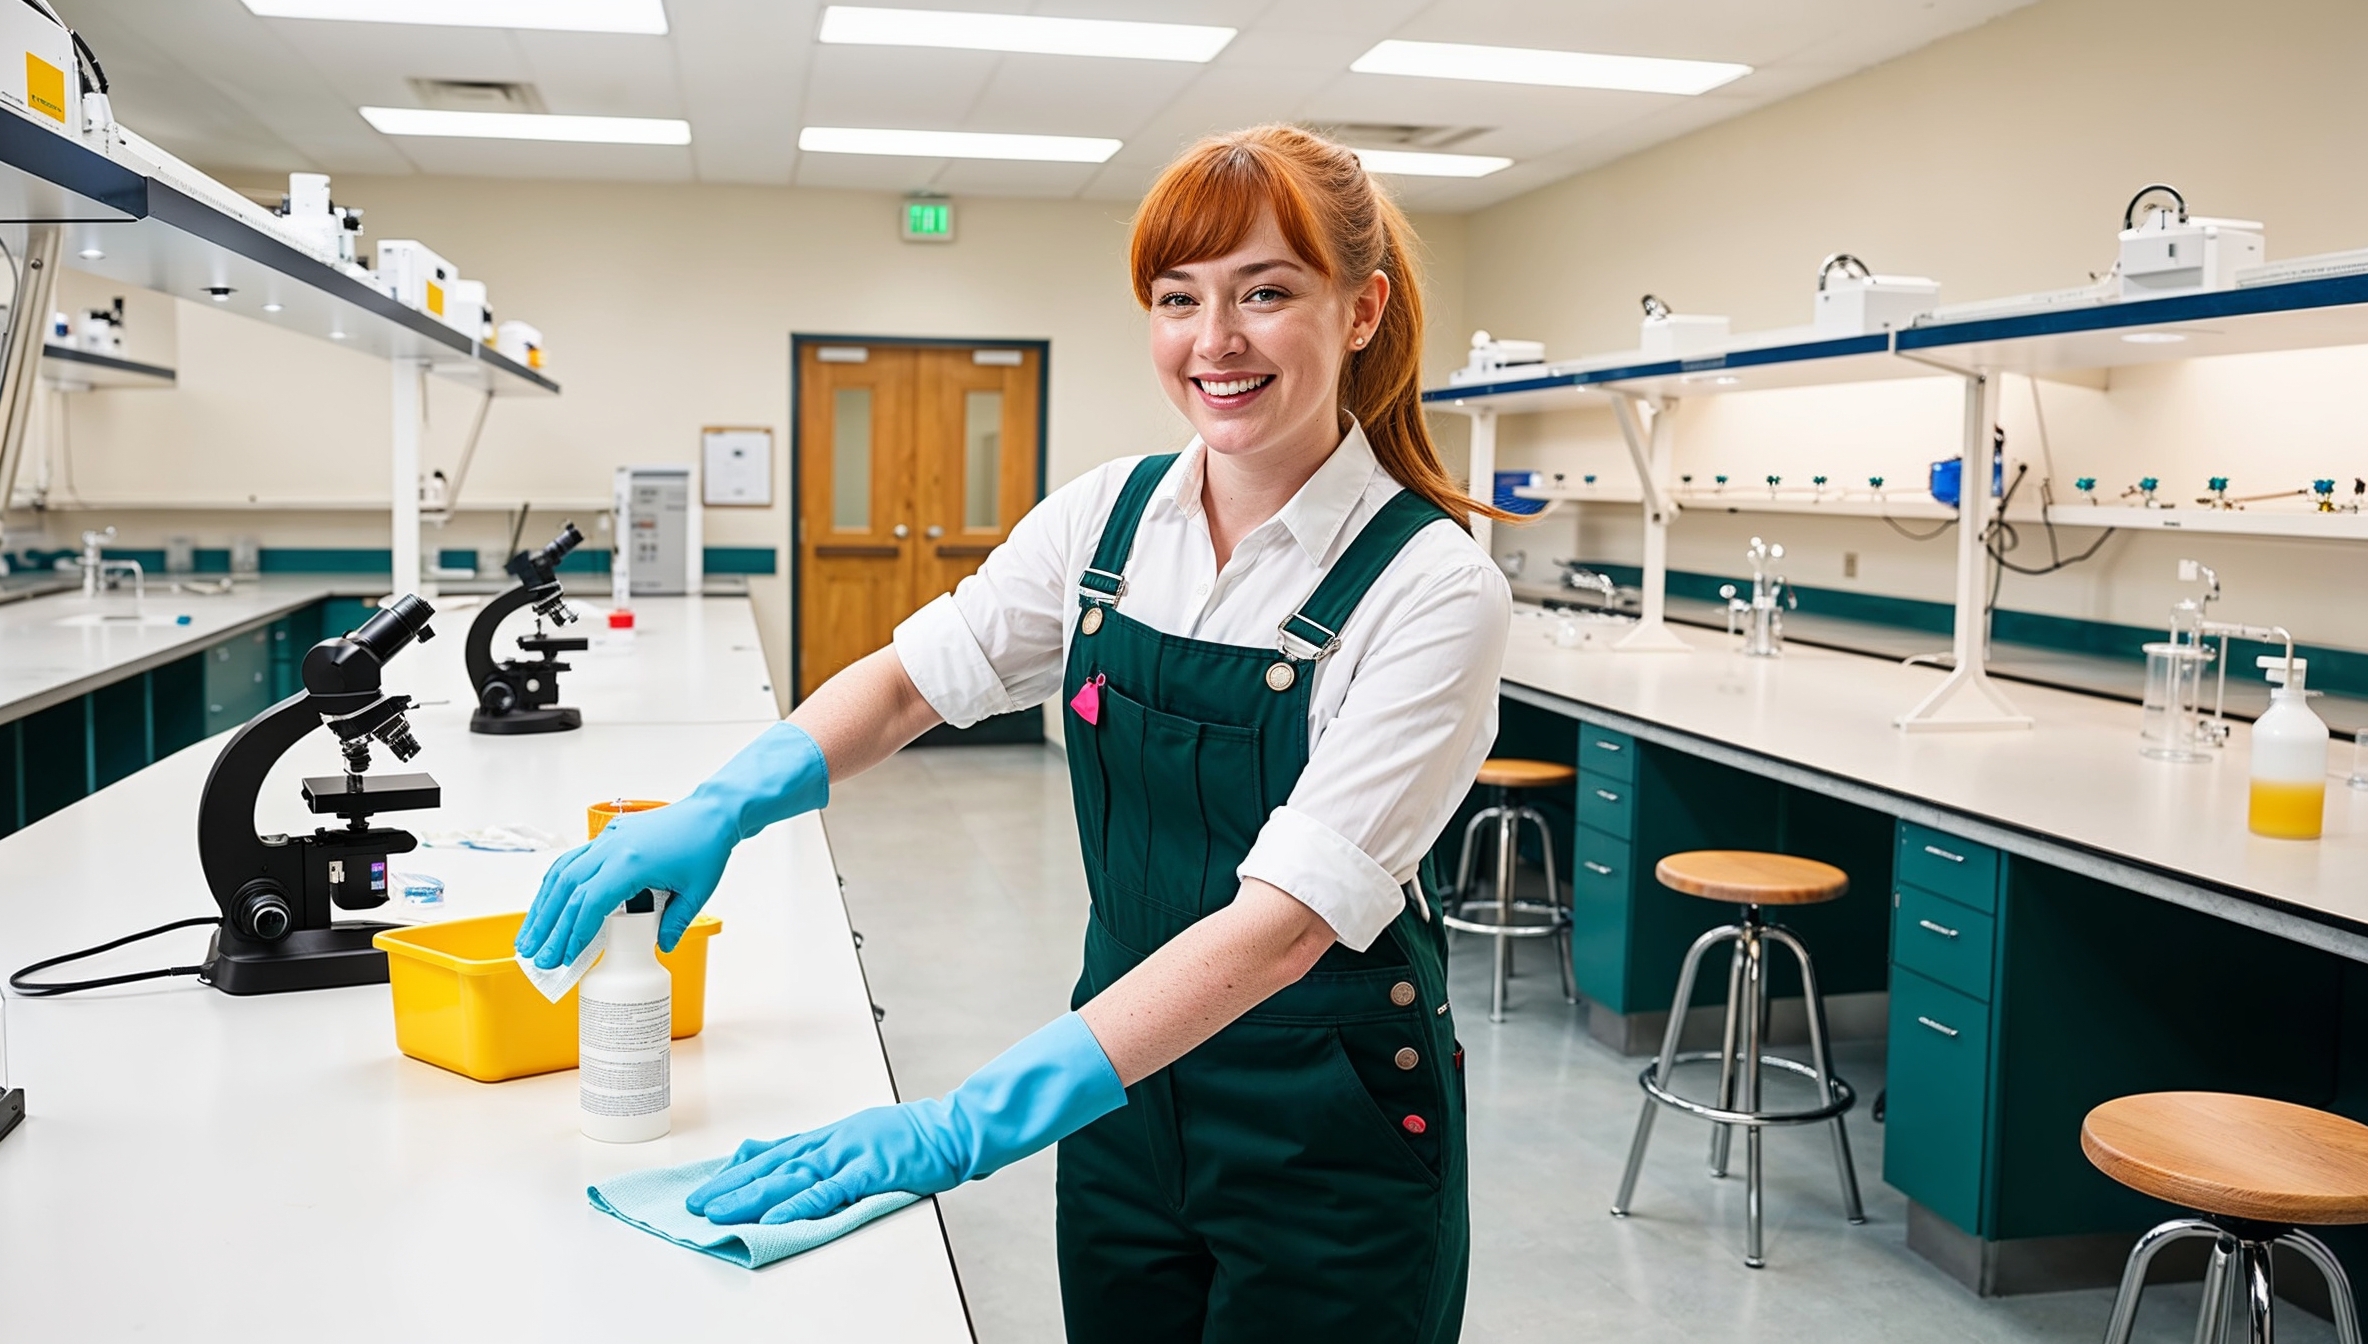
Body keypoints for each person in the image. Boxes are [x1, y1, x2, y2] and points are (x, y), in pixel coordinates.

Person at [517, 123, 1513, 1342]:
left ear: (1360, 311)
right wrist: (723, 803)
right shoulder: (1110, 520)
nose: (1216, 341)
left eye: (1267, 292)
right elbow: (907, 684)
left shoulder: (1433, 588)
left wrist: (964, 1123)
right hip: (1118, 1093)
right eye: (1178, 298)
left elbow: (1279, 929)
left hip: (1327, 1119)